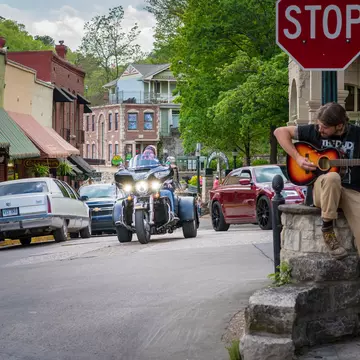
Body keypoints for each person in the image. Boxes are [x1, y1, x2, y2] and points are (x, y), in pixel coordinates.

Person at [274, 102, 360, 260]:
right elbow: (280, 132)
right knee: (332, 177)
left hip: (351, 191)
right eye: (319, 125)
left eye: (325, 127)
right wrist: (298, 157)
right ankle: (327, 230)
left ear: (340, 125)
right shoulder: (314, 131)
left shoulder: (357, 135)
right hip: (323, 189)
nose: (320, 130)